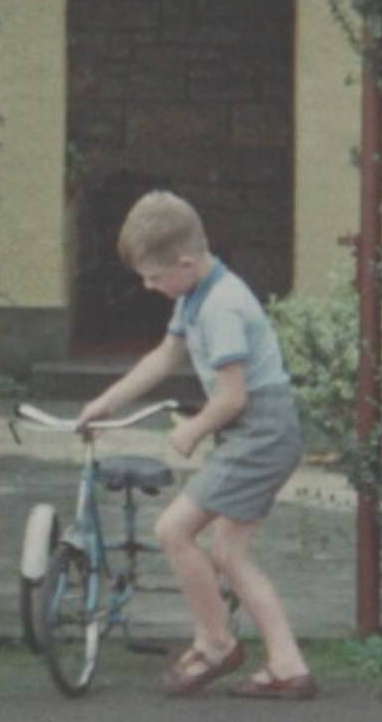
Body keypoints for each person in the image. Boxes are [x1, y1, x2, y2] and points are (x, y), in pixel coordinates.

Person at [78, 190, 316, 700]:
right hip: (258, 432)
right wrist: (108, 401)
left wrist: (192, 429)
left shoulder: (222, 306)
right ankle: (288, 665)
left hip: (260, 433)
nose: (148, 286)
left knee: (173, 529)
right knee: (229, 552)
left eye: (155, 276)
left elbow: (232, 398)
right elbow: (166, 357)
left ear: (185, 262)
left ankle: (214, 642)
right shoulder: (196, 293)